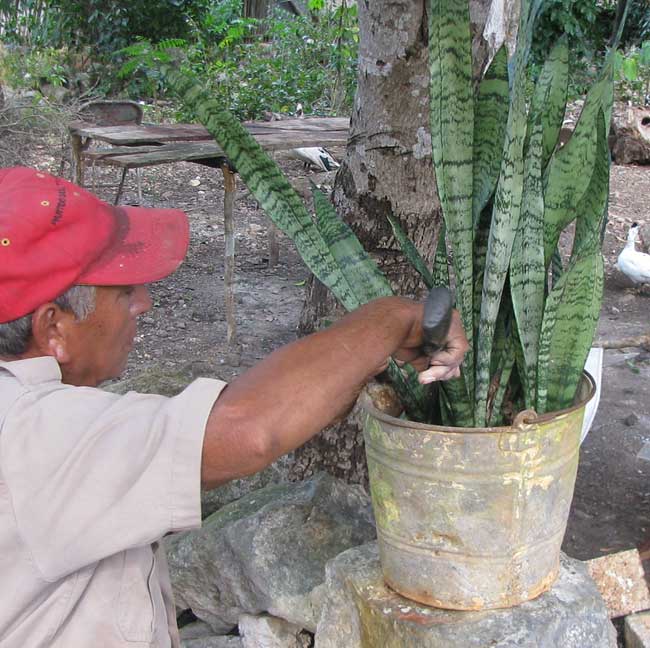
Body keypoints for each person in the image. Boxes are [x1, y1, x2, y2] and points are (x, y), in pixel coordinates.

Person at [0, 166, 468, 647]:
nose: (144, 303)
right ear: (53, 328)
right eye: (122, 291)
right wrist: (394, 320)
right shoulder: (34, 434)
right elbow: (246, 432)